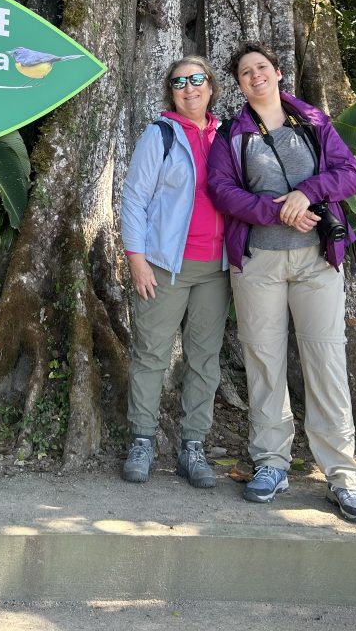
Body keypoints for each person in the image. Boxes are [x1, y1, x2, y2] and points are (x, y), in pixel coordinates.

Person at [207, 41, 356, 523]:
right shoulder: (233, 134)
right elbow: (222, 190)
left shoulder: (313, 122)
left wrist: (306, 192)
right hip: (259, 262)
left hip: (316, 262)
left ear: (278, 73)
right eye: (245, 72)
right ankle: (271, 462)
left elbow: (347, 175)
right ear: (239, 84)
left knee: (325, 359)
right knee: (263, 359)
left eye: (261, 68)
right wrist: (277, 210)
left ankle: (342, 474)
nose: (255, 76)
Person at [120, 55, 231, 488]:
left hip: (216, 269)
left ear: (211, 86)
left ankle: (193, 447)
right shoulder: (160, 134)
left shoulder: (227, 135)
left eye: (197, 79)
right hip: (165, 265)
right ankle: (143, 440)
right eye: (180, 82)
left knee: (204, 358)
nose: (190, 88)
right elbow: (133, 198)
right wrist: (136, 258)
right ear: (172, 91)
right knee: (151, 353)